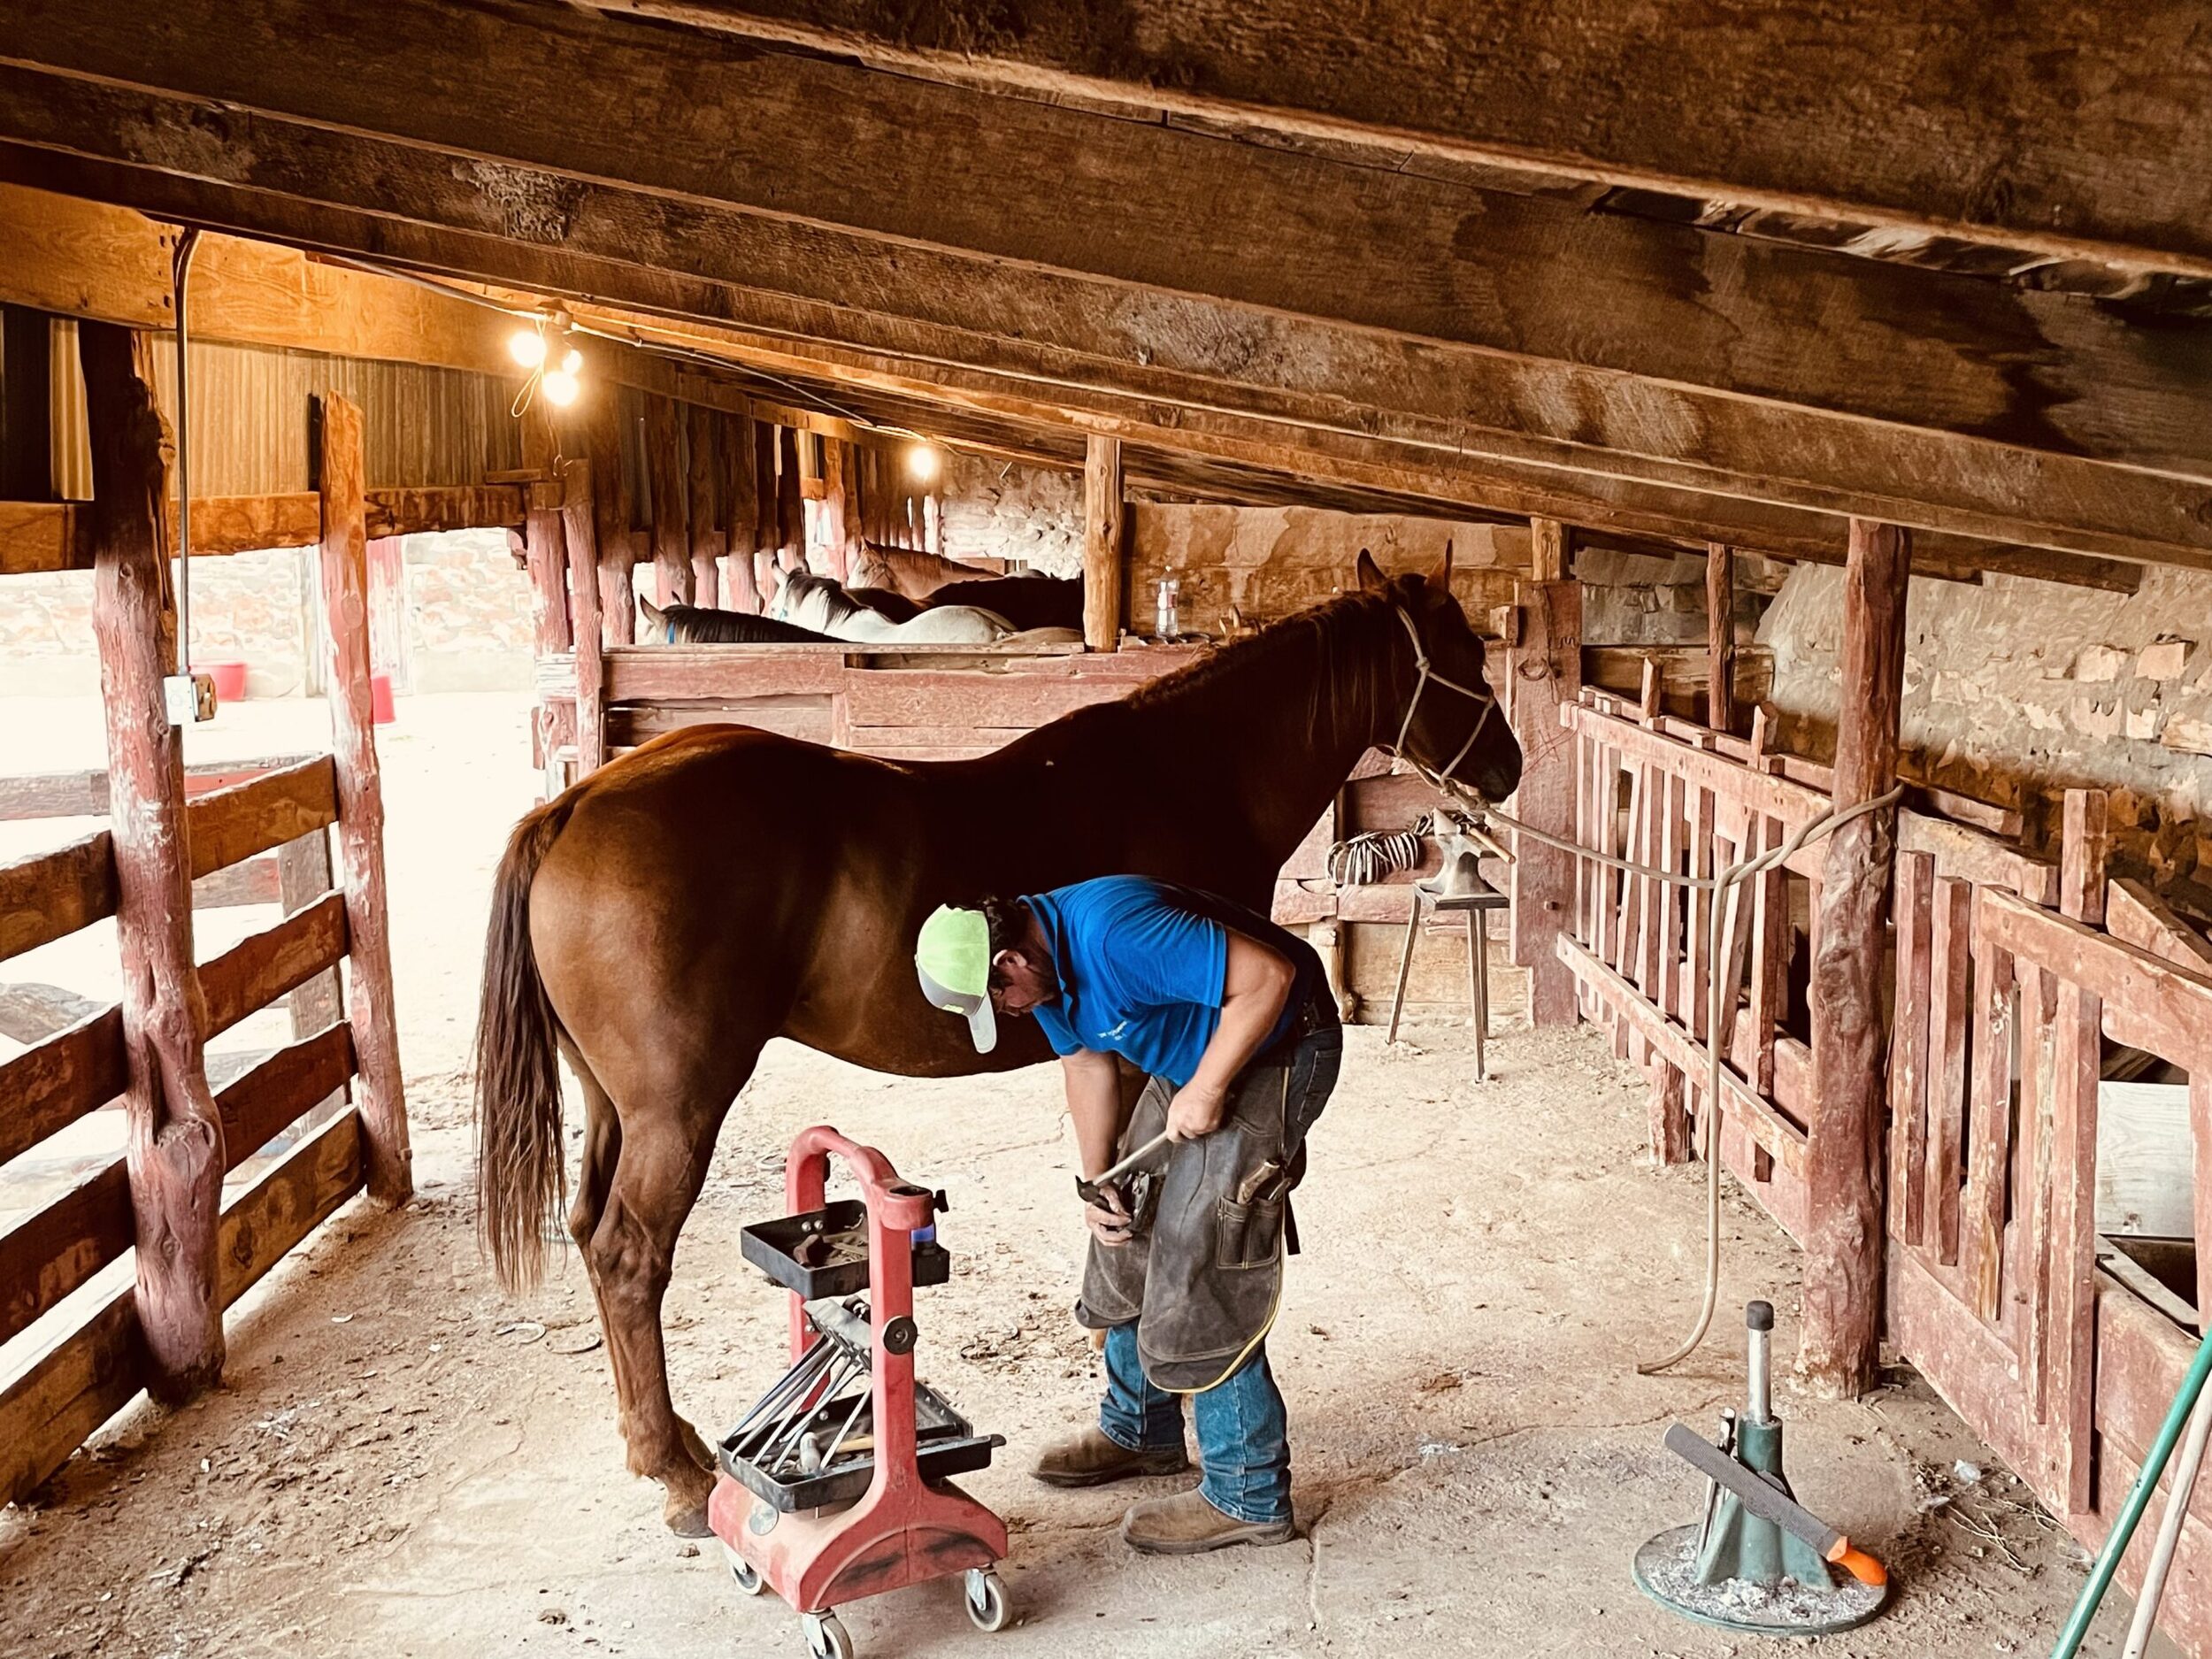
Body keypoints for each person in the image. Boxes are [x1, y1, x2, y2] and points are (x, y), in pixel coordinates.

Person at [913, 876, 1341, 1554]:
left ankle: (1249, 1492)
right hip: (1197, 1049)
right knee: (1127, 1218)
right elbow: (1086, 1064)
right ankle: (1142, 1429)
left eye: (1003, 999)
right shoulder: (1044, 973)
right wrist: (1097, 1182)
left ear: (1009, 960)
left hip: (1280, 1041)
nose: (1012, 1012)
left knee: (1202, 1247)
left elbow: (1271, 978)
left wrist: (1208, 1086)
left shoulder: (1114, 935)